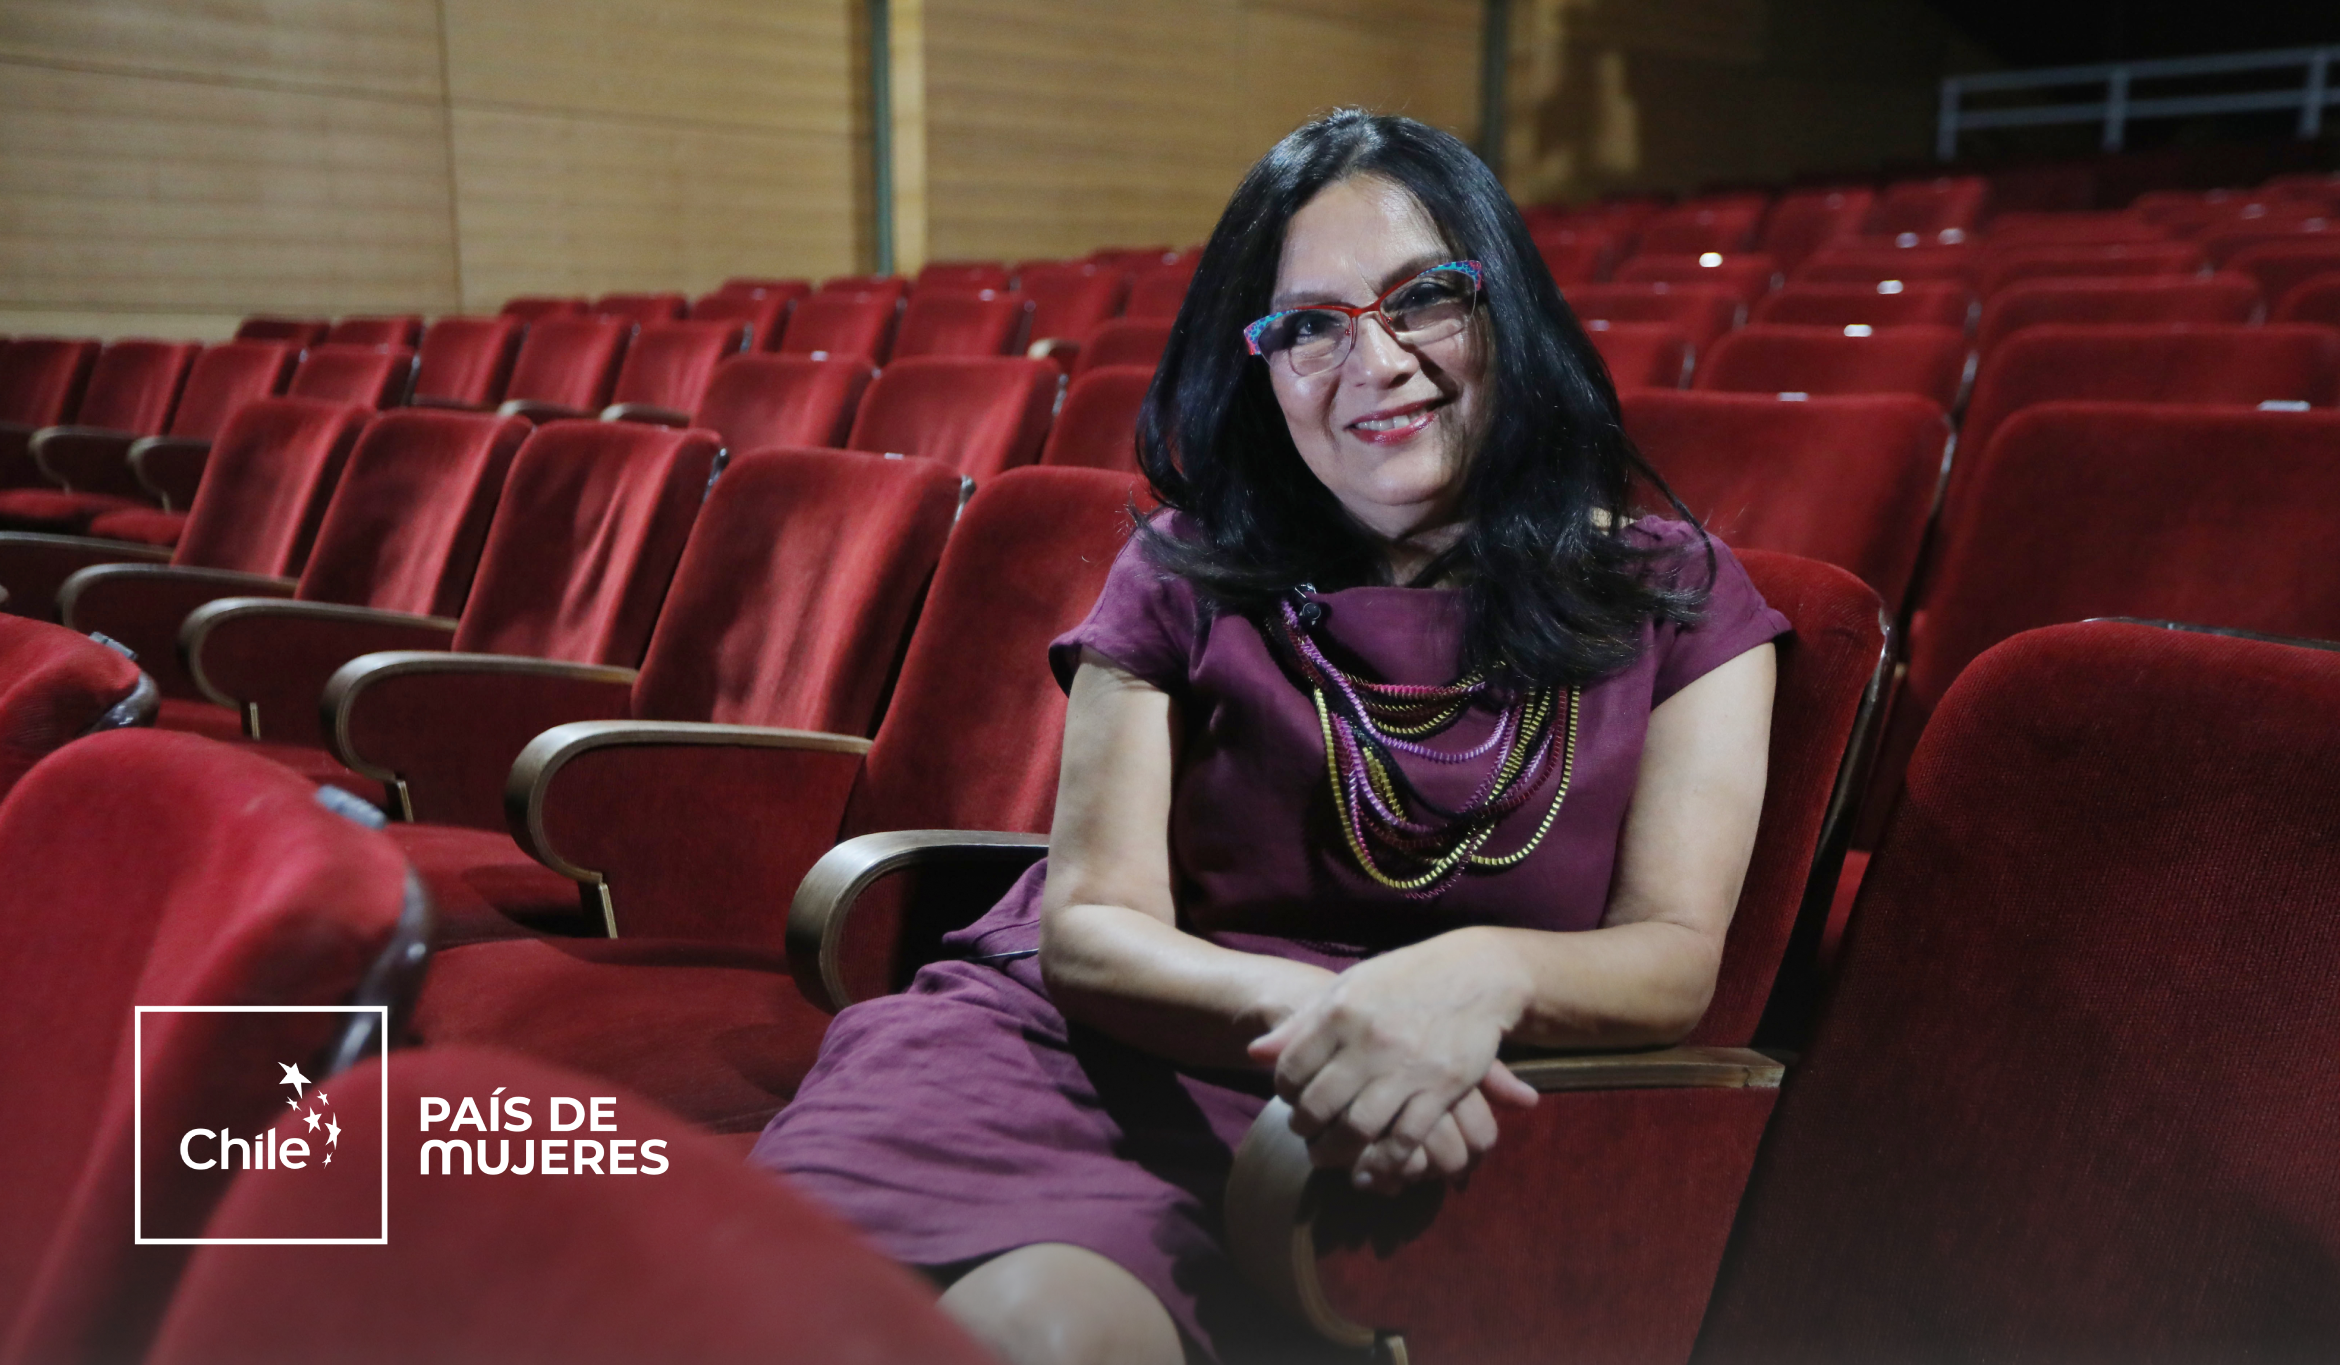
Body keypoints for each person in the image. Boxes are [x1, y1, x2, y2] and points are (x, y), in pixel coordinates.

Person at [751, 108, 1788, 1365]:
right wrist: (1343, 1018)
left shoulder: (1673, 596)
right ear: (1260, 366)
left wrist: (1477, 978)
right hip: (1078, 1051)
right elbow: (1091, 925)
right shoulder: (1182, 567)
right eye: (1308, 327)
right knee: (793, 1307)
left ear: (1506, 307)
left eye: (1427, 298)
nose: (1376, 362)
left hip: (1385, 1116)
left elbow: (1673, 958)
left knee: (1037, 1337)